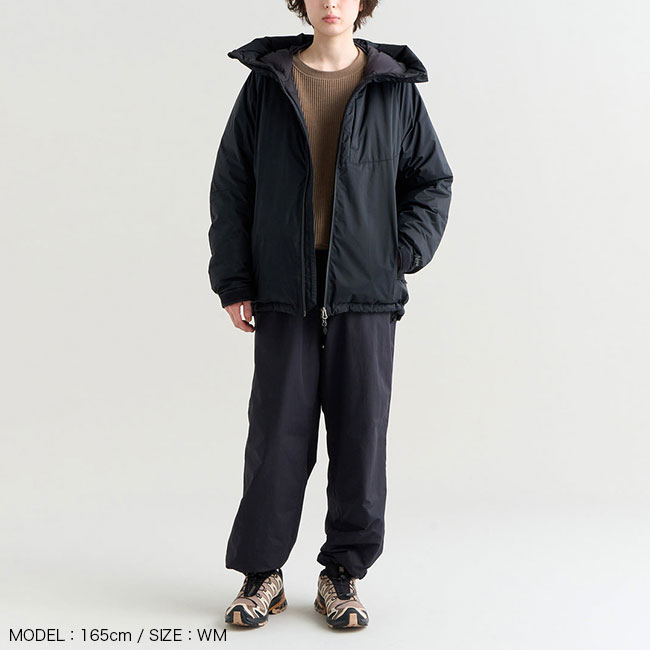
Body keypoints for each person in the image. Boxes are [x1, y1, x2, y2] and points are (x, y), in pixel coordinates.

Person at [208, 0, 453, 630]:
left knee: (360, 434)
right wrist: (234, 280)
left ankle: (342, 574)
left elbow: (431, 180)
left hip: (365, 290)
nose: (331, 2)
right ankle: (261, 575)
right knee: (276, 434)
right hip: (283, 284)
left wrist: (400, 251)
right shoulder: (267, 84)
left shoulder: (393, 88)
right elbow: (233, 183)